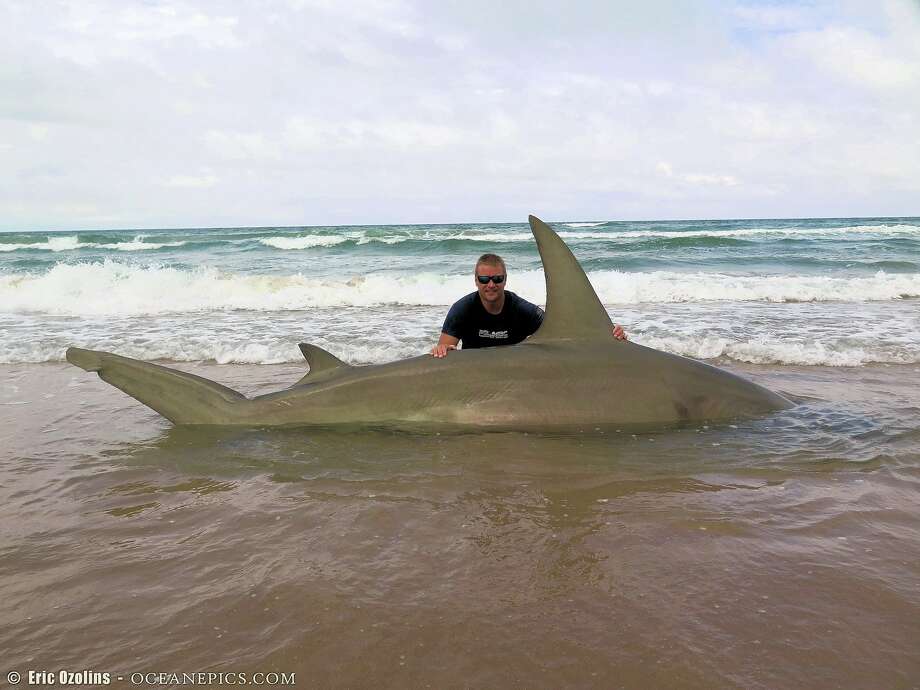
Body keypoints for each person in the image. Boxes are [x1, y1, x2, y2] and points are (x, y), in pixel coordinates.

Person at [430, 253, 627, 358]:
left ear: (505, 280)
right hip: (475, 375)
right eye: (484, 279)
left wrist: (606, 334)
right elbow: (445, 349)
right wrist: (442, 350)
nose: (491, 284)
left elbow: (564, 332)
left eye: (497, 278)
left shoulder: (523, 310)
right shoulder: (462, 309)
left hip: (513, 376)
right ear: (476, 281)